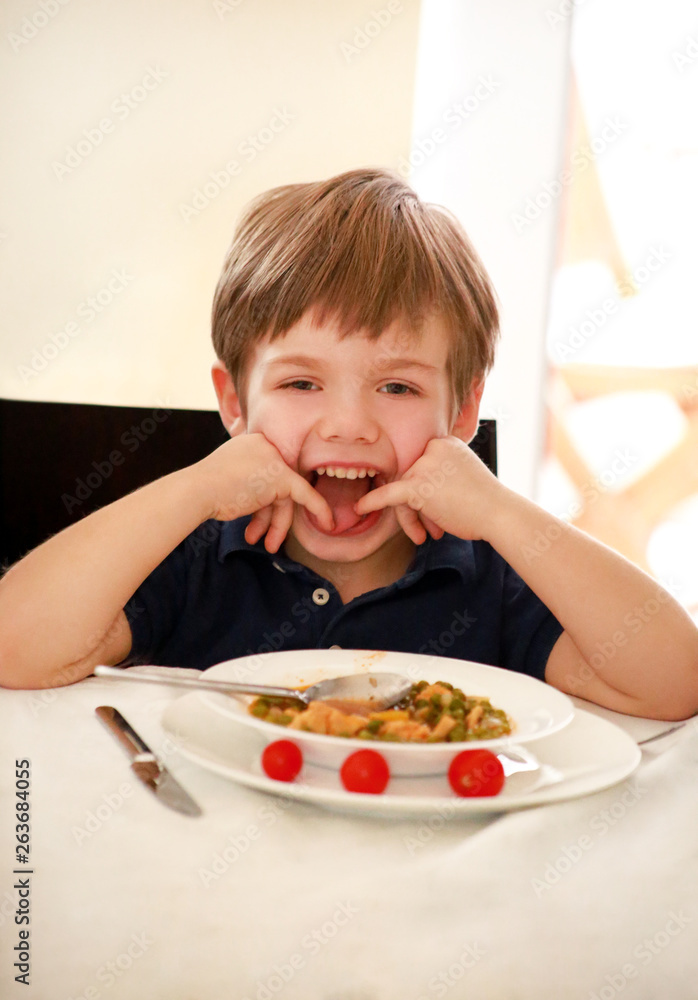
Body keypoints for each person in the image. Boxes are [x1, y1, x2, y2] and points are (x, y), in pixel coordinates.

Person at [1, 168, 696, 720]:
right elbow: (14, 647)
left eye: (397, 389)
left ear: (462, 414)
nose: (349, 425)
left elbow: (675, 681)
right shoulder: (198, 555)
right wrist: (194, 490)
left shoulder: (490, 575)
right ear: (235, 403)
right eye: (302, 384)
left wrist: (501, 512)